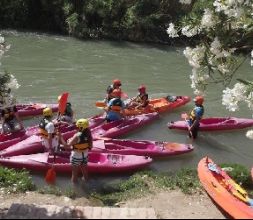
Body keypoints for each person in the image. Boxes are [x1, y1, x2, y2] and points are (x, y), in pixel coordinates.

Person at [63, 118, 93, 183]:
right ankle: (87, 184)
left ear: (80, 127)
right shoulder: (89, 134)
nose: (76, 127)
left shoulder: (77, 136)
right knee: (85, 173)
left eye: (77, 126)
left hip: (76, 157)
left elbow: (67, 146)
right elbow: (90, 146)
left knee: (74, 175)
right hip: (85, 156)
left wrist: (60, 138)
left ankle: (75, 190)